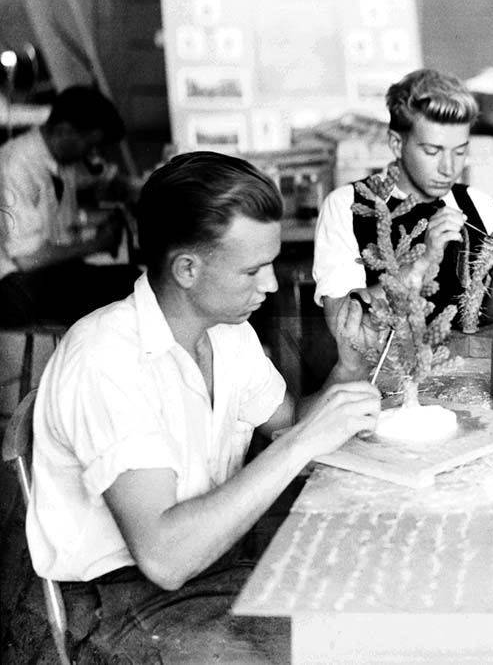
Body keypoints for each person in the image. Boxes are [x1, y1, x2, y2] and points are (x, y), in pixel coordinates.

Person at [25, 151, 382, 665]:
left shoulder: (228, 333)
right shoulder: (106, 360)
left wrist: (348, 365)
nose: (272, 285)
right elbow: (165, 558)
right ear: (187, 269)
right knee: (332, 650)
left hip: (212, 571)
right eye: (254, 270)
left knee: (373, 618)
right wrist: (304, 442)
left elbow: (286, 423)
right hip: (118, 606)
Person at [312, 68, 493, 337]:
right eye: (432, 151)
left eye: (460, 152)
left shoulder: (478, 203)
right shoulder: (345, 206)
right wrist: (423, 262)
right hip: (387, 374)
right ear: (397, 144)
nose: (449, 168)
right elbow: (343, 327)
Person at [0, 85, 140, 326]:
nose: (93, 154)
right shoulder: (16, 165)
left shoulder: (61, 162)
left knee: (134, 281)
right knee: (128, 293)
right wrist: (97, 244)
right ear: (64, 131)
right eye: (90, 145)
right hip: (15, 286)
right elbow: (26, 258)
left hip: (47, 272)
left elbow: (61, 228)